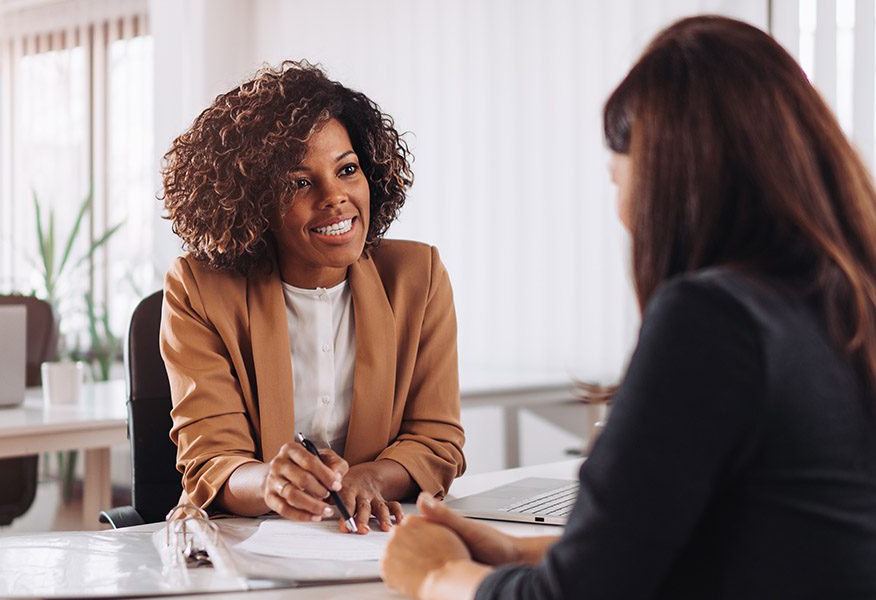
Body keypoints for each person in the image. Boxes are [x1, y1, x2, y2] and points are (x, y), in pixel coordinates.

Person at [382, 15, 876, 598]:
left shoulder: (714, 320)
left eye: (617, 180)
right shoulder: (843, 302)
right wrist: (519, 549)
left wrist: (437, 575)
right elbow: (758, 532)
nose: (621, 211)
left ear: (669, 179)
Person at [159, 61, 465, 534]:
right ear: (254, 200)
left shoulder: (416, 277)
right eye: (300, 182)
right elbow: (212, 460)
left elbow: (436, 440)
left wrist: (370, 479)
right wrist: (270, 483)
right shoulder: (198, 288)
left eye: (347, 170)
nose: (336, 197)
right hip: (242, 544)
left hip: (371, 539)